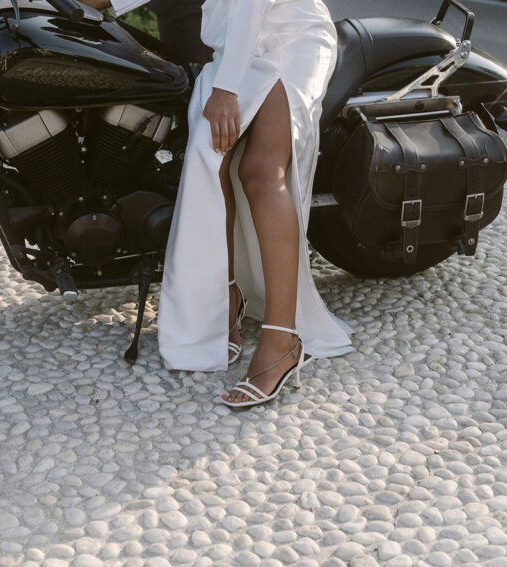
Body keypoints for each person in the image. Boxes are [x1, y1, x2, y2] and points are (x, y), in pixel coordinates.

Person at [87, 0, 353, 406]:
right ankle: (224, 300)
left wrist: (226, 89)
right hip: (232, 48)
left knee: (260, 173)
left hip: (288, 36)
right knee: (210, 162)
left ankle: (281, 339)